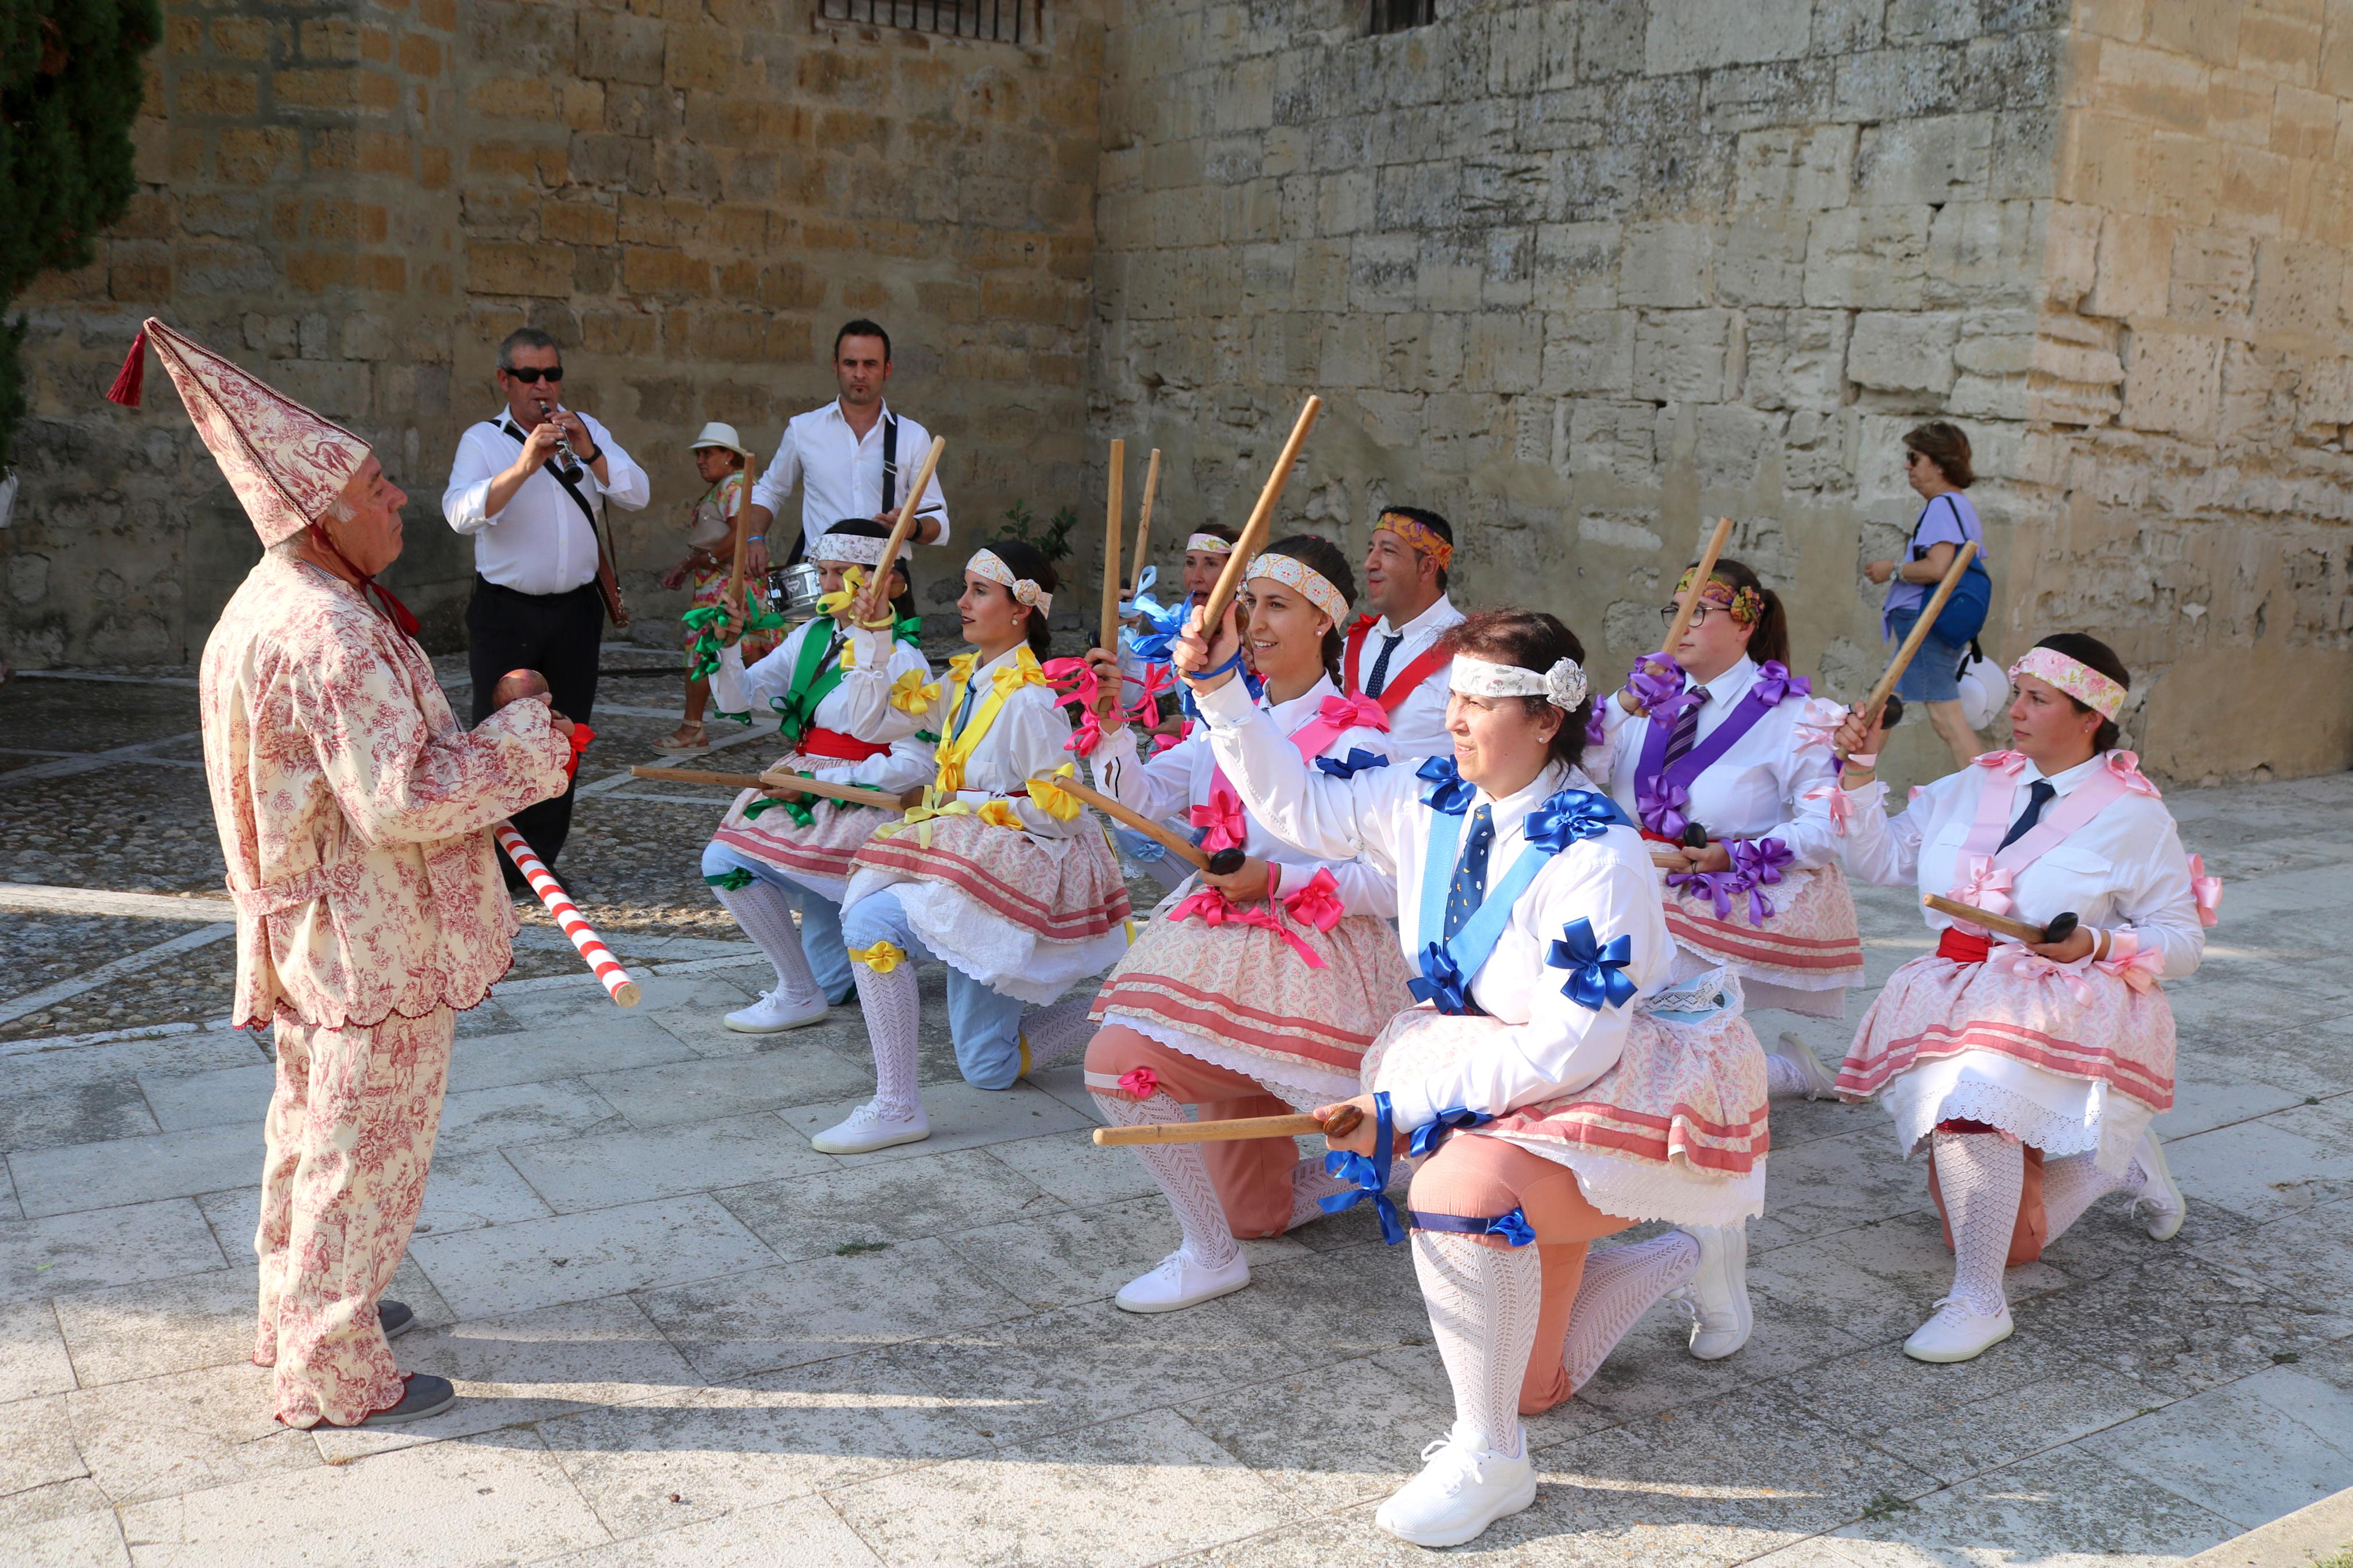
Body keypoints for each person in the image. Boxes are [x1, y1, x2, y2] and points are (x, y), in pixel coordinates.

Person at [1174, 605, 1766, 1548]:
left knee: (1452, 1193)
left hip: (1606, 1076)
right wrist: (1218, 692)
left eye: (1480, 702)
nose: (1454, 719)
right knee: (1536, 1380)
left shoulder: (1595, 850)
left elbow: (1572, 1047)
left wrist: (1399, 1104)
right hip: (1498, 1056)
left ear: (1545, 720)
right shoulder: (1427, 793)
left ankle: (1490, 1459)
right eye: (1451, 696)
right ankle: (1683, 1253)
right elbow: (1297, 809)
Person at [115, 318, 575, 1428]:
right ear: (324, 515)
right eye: (375, 488)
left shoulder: (265, 604)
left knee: (311, 1133)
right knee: (365, 1154)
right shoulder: (332, 633)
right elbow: (403, 799)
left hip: (315, 928)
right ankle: (332, 1363)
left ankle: (298, 1309)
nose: (397, 501)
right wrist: (522, 739)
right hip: (373, 937)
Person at [1830, 634, 2211, 1364]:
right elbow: (1878, 858)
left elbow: (2182, 939)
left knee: (1973, 1100)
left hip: (2056, 1002)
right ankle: (2115, 1166)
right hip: (1953, 988)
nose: (2016, 712)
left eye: (2036, 700)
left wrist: (2094, 945)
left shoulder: (2134, 816)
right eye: (2018, 695)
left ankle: (1977, 1302)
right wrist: (1858, 767)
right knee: (2006, 1237)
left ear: (2088, 715)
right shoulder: (1976, 782)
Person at [1061, 536, 1412, 1313]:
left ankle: (1206, 1253)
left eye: (1276, 604)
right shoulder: (1225, 718)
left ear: (1327, 619)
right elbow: (1145, 808)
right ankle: (1390, 1161)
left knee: (1117, 1063)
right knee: (1259, 1212)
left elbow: (1389, 882)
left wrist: (1277, 878)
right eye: (1246, 603)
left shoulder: (1360, 737)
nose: (1253, 621)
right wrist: (1112, 729)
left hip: (1308, 966)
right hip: (1216, 952)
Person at [1591, 557, 1862, 1358]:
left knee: (1668, 1071)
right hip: (1634, 897)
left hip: (1717, 900)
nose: (1678, 625)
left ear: (1744, 624)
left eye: (1699, 610)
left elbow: (1822, 827)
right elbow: (1568, 776)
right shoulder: (1645, 699)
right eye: (1671, 606)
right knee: (1634, 1061)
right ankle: (1780, 1074)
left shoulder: (1795, 716)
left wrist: (1723, 854)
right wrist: (1610, 712)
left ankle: (1712, 1264)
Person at [822, 541, 1132, 1153]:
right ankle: (1121, 1006)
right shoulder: (964, 679)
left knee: (868, 920)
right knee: (988, 1069)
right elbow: (866, 724)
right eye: (965, 587)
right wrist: (874, 634)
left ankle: (896, 1105)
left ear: (1021, 608)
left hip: (1017, 872)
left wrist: (971, 805)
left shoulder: (1032, 698)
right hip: (969, 861)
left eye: (979, 591)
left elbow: (1063, 813)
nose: (961, 601)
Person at [698, 520, 936, 1030]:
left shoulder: (903, 656)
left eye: (842, 574)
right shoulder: (811, 635)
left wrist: (828, 783)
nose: (828, 585)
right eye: (822, 572)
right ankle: (807, 986)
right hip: (808, 786)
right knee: (725, 859)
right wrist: (728, 647)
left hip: (868, 801)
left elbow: (916, 764)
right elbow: (739, 699)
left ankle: (823, 979)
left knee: (732, 857)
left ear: (887, 584)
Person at [442, 328, 649, 875]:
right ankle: (494, 863)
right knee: (500, 736)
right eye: (529, 376)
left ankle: (542, 861)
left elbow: (636, 493)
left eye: (552, 375)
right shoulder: (482, 441)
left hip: (576, 611)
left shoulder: (587, 429)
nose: (543, 387)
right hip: (507, 612)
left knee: (565, 735)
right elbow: (460, 514)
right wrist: (523, 466)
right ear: (504, 380)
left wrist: (591, 451)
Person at [742, 319, 950, 577]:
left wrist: (913, 528)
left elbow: (939, 521)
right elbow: (770, 491)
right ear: (836, 367)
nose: (859, 374)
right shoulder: (803, 429)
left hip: (884, 580)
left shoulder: (913, 436)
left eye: (870, 364)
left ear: (887, 369)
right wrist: (754, 539)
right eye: (850, 363)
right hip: (823, 580)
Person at [1865, 421, 1988, 773]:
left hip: (1925, 622)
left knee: (1946, 718)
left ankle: (1989, 801)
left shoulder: (1941, 507)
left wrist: (1892, 570)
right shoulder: (1962, 507)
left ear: (1938, 464)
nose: (1908, 466)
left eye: (1913, 458)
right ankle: (1849, 782)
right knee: (1882, 706)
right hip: (1929, 621)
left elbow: (1938, 568)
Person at [656, 422, 777, 755]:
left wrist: (709, 558)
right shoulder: (725, 486)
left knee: (708, 652)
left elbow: (740, 533)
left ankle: (692, 729)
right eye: (699, 454)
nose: (700, 460)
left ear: (729, 456)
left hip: (727, 586)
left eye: (708, 453)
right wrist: (687, 565)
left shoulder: (736, 485)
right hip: (716, 583)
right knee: (743, 653)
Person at [1343, 507, 1466, 759]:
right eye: (1370, 550)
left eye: (1387, 551)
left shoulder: (1470, 653)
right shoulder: (1348, 647)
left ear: (1427, 567)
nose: (1369, 564)